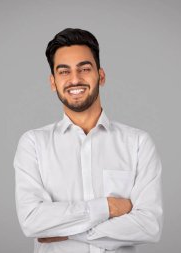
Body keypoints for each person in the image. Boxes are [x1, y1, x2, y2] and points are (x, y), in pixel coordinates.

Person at [14, 28, 163, 253]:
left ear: (100, 76)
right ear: (53, 82)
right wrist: (108, 207)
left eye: (84, 69)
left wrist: (65, 230)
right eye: (64, 72)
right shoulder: (33, 145)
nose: (75, 79)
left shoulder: (138, 144)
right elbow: (32, 220)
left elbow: (150, 226)